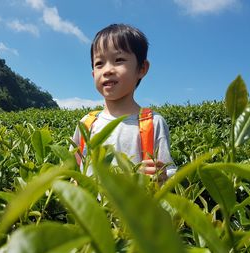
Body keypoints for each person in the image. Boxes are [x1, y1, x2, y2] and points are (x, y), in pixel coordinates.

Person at [72, 23, 176, 180]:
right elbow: (73, 172)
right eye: (99, 63)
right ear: (93, 74)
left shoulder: (153, 123)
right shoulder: (86, 124)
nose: (107, 70)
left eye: (118, 60)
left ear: (141, 68)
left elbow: (168, 173)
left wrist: (161, 177)